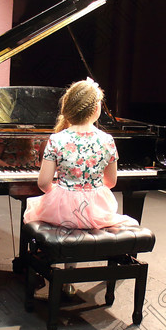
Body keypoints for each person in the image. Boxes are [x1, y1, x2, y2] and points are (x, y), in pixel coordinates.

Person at [23, 78, 138, 230]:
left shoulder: (56, 139)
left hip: (62, 210)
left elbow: (43, 183)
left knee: (33, 213)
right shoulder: (107, 140)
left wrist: (62, 195)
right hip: (97, 210)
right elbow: (110, 182)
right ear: (97, 109)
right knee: (131, 223)